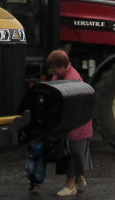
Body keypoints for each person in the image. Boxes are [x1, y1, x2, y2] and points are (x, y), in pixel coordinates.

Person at [47, 50, 92, 196]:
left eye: (54, 67)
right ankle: (79, 180)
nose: (52, 70)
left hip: (76, 125)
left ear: (62, 65)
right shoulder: (60, 75)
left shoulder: (71, 80)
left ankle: (70, 186)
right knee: (74, 153)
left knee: (71, 154)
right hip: (73, 123)